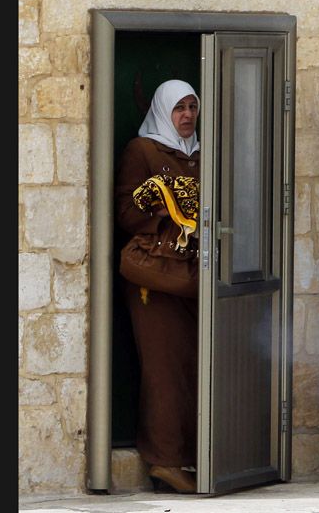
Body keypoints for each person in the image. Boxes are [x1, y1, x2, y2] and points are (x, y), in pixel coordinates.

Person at [115, 79, 201, 494]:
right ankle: (165, 461)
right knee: (164, 370)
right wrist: (171, 213)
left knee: (196, 367)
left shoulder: (204, 152)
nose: (186, 115)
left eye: (192, 107)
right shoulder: (143, 150)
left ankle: (199, 456)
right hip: (156, 278)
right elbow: (126, 212)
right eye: (178, 108)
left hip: (195, 278)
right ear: (162, 111)